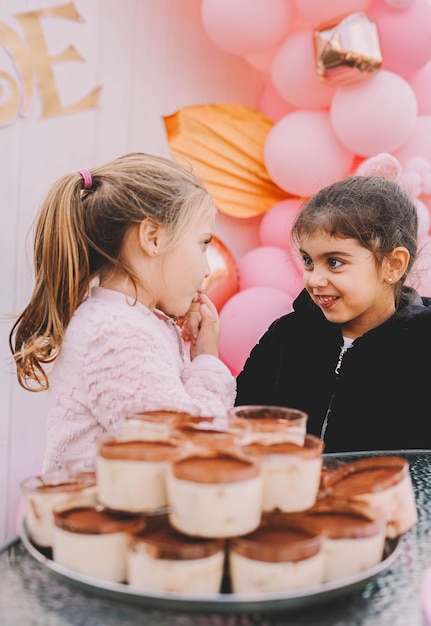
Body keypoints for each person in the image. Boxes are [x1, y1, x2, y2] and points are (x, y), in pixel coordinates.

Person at [9, 152, 236, 473]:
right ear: (153, 238)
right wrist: (207, 362)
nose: (205, 269)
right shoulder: (116, 333)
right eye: (203, 244)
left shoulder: (128, 321)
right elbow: (193, 450)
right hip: (99, 521)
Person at [235, 174, 431, 453]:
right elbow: (241, 417)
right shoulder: (286, 336)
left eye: (335, 262)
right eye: (308, 261)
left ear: (393, 265)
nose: (315, 280)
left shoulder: (423, 348)